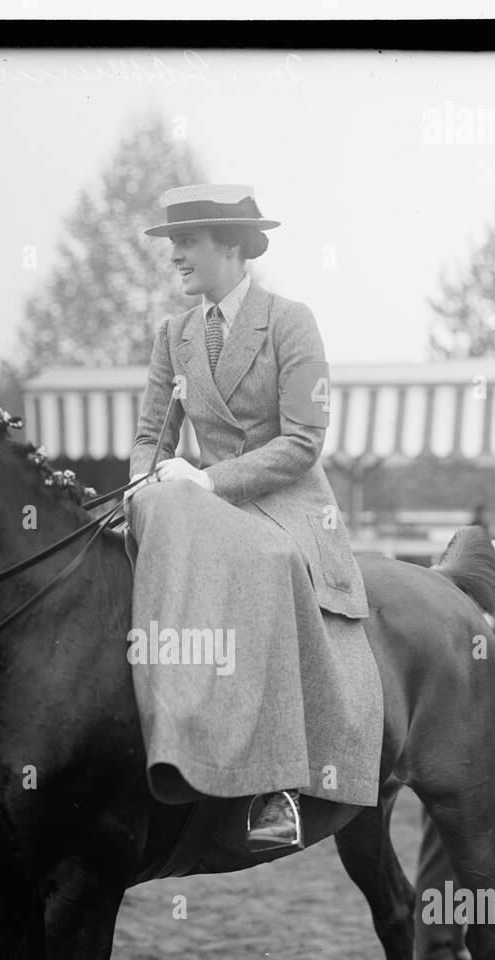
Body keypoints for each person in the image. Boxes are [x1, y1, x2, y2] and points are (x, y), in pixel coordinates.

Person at [125, 183, 381, 851]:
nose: (175, 255)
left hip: (286, 504)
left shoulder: (291, 320)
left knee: (263, 563)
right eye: (172, 243)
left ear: (232, 247)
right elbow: (152, 435)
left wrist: (205, 480)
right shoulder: (173, 335)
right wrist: (139, 492)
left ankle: (278, 789)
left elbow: (301, 443)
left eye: (188, 242)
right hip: (203, 501)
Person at [415, 538, 495, 960]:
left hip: (456, 751)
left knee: (460, 856)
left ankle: (454, 941)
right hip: (452, 757)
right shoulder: (459, 621)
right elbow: (494, 677)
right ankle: (436, 951)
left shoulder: (449, 615)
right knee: (446, 854)